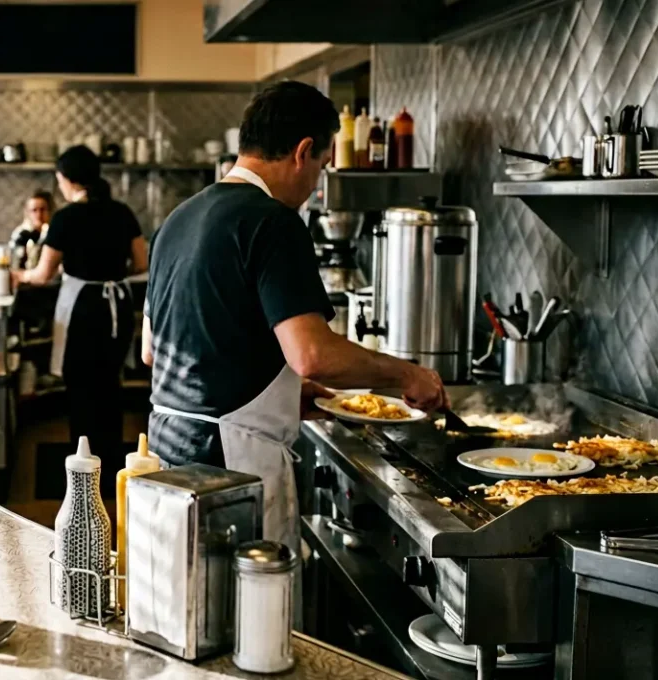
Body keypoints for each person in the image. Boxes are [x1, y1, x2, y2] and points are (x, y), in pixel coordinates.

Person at [143, 81, 448, 560]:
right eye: (323, 167)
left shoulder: (178, 218)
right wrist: (408, 375)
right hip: (233, 465)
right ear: (303, 151)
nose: (316, 187)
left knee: (181, 612)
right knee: (251, 623)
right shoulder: (274, 221)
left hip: (167, 453)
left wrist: (279, 392)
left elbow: (157, 349)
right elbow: (313, 355)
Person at [16, 146, 148, 482]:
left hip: (82, 308)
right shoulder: (121, 212)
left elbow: (44, 273)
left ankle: (83, 468)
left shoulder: (65, 217)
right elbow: (142, 263)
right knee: (109, 384)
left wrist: (19, 276)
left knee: (81, 388)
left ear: (67, 179)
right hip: (116, 304)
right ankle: (111, 463)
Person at [10, 189, 54, 268]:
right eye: (34, 210)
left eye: (42, 209)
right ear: (27, 213)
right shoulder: (20, 234)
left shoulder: (55, 232)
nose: (39, 214)